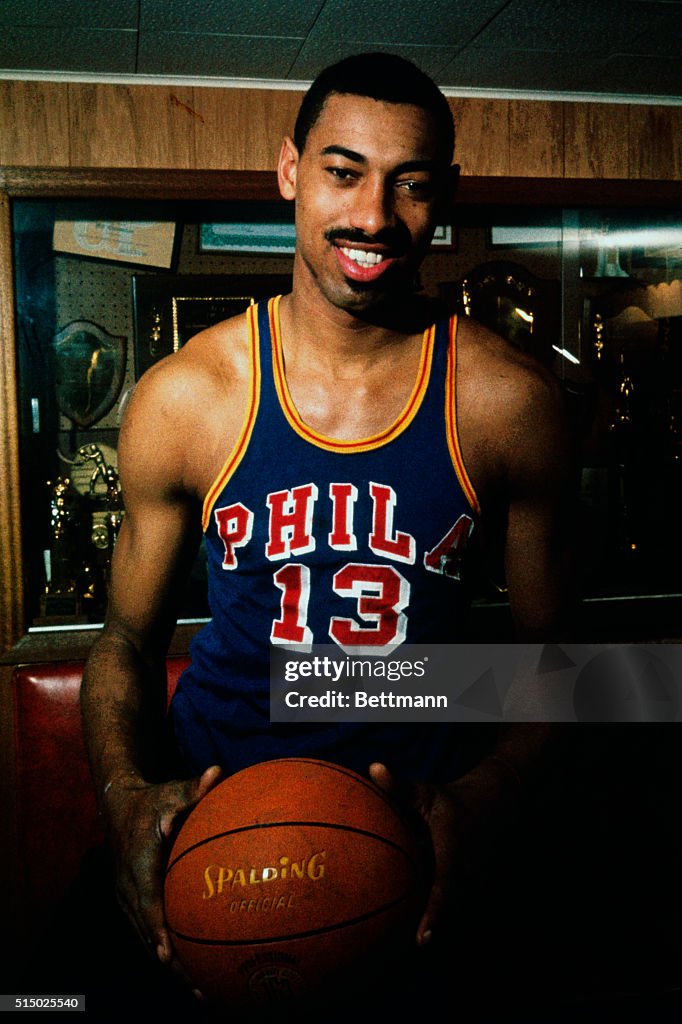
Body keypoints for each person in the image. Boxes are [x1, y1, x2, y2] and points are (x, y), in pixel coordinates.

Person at [78, 52, 573, 1020]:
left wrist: (486, 795)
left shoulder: (509, 402)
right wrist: (125, 794)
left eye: (411, 183)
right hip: (207, 834)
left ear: (447, 197)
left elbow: (562, 662)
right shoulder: (189, 397)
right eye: (343, 172)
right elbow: (124, 642)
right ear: (289, 172)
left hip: (416, 854)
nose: (374, 217)